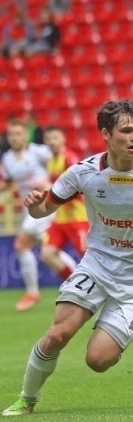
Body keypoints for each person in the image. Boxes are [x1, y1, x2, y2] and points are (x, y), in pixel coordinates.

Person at [2, 99, 133, 417]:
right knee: (58, 334)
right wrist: (33, 204)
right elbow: (44, 209)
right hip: (98, 265)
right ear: (105, 134)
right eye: (125, 131)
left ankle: (128, 324)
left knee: (97, 361)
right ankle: (27, 398)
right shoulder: (84, 172)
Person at [0, 118, 54, 311]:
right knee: (50, 250)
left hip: (46, 205)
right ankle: (78, 280)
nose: (14, 138)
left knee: (21, 244)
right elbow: (7, 182)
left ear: (25, 135)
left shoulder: (39, 152)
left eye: (18, 134)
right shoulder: (7, 158)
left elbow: (60, 164)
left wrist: (51, 183)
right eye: (11, 135)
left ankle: (32, 292)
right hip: (29, 209)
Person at [41, 126, 88, 282]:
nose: (52, 142)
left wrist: (50, 187)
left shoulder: (70, 159)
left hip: (78, 217)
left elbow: (79, 188)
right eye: (48, 139)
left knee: (90, 258)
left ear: (63, 139)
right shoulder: (50, 161)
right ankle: (73, 284)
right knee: (47, 254)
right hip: (60, 218)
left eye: (55, 138)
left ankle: (112, 288)